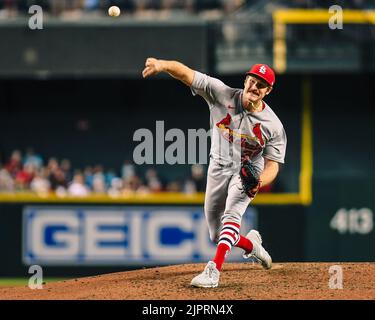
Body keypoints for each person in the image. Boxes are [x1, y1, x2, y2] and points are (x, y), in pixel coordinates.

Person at [142, 58, 287, 288]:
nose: (254, 87)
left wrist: (258, 181)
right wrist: (162, 65)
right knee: (216, 234)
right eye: (252, 80)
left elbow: (273, 164)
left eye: (261, 84)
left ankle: (213, 272)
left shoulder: (274, 126)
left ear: (268, 91)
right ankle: (252, 246)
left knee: (232, 216)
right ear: (246, 80)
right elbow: (187, 74)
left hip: (247, 171)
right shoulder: (221, 93)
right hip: (218, 167)